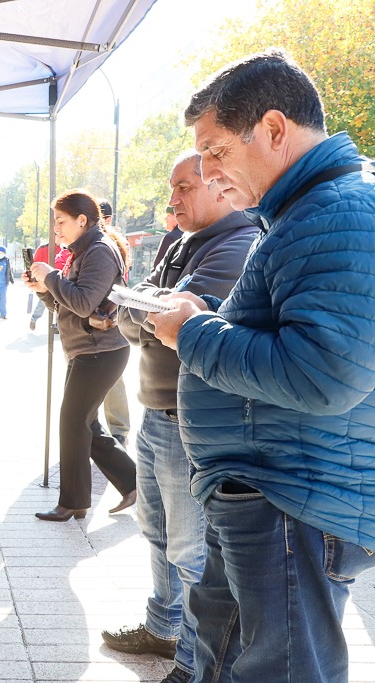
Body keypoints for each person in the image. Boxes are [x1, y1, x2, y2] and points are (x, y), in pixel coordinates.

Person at [149, 50, 375, 683]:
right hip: (273, 486)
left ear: (275, 131)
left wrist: (192, 331)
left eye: (216, 151)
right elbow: (288, 330)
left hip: (294, 496)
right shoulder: (306, 213)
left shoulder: (338, 214)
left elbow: (322, 373)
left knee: (285, 668)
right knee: (228, 658)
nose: (209, 171)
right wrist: (211, 311)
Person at [104, 151, 258, 683]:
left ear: (219, 186)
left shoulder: (237, 244)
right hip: (158, 413)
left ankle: (191, 663)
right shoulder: (182, 242)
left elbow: (166, 320)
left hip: (187, 420)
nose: (172, 200)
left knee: (191, 552)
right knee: (157, 532)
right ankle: (163, 628)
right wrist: (148, 309)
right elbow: (134, 316)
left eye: (185, 188)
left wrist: (146, 309)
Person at [25, 190, 136, 522]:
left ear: (82, 220)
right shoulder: (83, 251)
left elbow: (85, 302)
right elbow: (67, 306)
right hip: (88, 350)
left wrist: (50, 276)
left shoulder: (100, 251)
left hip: (102, 351)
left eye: (61, 221)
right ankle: (135, 484)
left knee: (73, 422)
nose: (56, 229)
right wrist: (45, 291)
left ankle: (73, 502)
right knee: (85, 424)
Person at [99, 200, 131, 447]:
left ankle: (118, 429)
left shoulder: (110, 244)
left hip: (109, 318)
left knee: (113, 379)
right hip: (90, 324)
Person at [28, 240, 68, 331]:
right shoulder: (42, 248)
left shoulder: (63, 248)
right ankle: (34, 319)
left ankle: (58, 326)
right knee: (43, 303)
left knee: (60, 303)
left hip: (59, 280)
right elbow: (34, 264)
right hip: (44, 280)